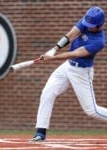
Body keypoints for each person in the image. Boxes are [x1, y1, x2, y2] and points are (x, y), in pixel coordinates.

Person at [30, 6, 107, 142]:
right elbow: (71, 34)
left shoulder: (99, 42)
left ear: (99, 25)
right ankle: (40, 133)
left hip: (82, 73)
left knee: (92, 110)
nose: (87, 27)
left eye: (91, 26)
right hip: (67, 67)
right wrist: (54, 49)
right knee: (48, 92)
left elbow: (75, 53)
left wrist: (51, 58)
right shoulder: (87, 21)